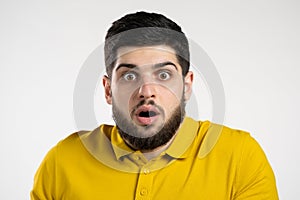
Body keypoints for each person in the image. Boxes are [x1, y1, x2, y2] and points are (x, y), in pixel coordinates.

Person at [31, 11, 278, 199]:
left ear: (187, 85)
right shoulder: (61, 162)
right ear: (108, 90)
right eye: (129, 76)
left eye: (163, 75)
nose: (146, 91)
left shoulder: (240, 157)